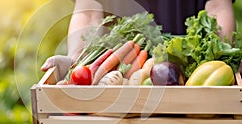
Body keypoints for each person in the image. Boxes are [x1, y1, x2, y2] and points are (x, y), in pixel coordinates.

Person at [41, 0, 236, 80]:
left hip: (189, 73)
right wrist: (79, 59)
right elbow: (90, 10)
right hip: (119, 74)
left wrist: (219, 59)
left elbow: (217, 7)